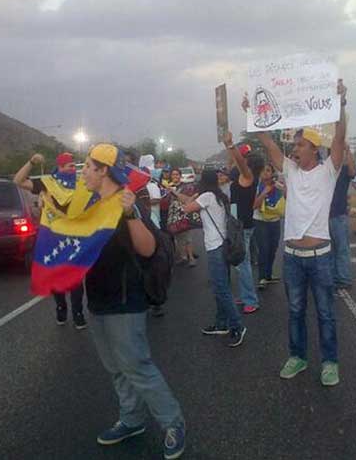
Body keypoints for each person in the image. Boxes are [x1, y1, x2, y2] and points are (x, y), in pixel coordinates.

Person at [81, 144, 185, 459]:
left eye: (87, 166)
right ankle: (131, 419)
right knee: (115, 368)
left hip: (125, 302)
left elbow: (149, 248)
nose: (82, 171)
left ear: (103, 171)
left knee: (137, 366)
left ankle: (173, 422)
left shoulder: (127, 202)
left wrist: (130, 214)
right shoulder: (90, 203)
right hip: (97, 299)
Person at [243, 79, 347, 387]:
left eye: (300, 145)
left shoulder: (329, 170)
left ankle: (330, 362)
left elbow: (340, 138)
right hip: (292, 258)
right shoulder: (288, 169)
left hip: (321, 258)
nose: (294, 148)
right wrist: (254, 116)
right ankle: (297, 356)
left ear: (314, 149)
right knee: (295, 311)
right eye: (295, 145)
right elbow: (270, 144)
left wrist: (340, 104)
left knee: (326, 313)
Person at [13, 152, 87, 329]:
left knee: (76, 277)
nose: (72, 169)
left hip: (74, 237)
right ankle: (61, 307)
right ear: (60, 167)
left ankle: (78, 313)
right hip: (53, 238)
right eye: (70, 166)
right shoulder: (47, 183)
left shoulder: (79, 184)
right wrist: (31, 162)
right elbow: (18, 181)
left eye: (73, 166)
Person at [183, 169, 247, 345]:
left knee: (221, 289)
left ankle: (237, 326)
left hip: (215, 247)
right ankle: (221, 323)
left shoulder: (207, 196)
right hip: (224, 245)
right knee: (223, 286)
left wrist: (194, 194)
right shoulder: (218, 196)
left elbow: (186, 207)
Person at [222, 139, 262, 314]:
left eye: (245, 159)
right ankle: (246, 295)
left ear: (249, 164)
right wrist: (230, 150)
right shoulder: (241, 176)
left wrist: (231, 145)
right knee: (240, 262)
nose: (242, 161)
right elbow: (232, 164)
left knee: (242, 263)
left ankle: (251, 300)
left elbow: (238, 163)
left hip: (243, 225)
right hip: (239, 223)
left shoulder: (249, 177)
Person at [253, 163, 285, 290]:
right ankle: (262, 277)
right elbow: (254, 205)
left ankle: (268, 274)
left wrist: (283, 186)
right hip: (260, 221)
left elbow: (288, 197)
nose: (265, 173)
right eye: (262, 171)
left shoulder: (277, 186)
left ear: (272, 173)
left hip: (275, 220)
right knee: (263, 249)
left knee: (273, 248)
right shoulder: (256, 186)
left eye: (268, 171)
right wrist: (264, 193)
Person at [329, 144, 356, 290]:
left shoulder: (344, 170)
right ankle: (334, 277)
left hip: (339, 216)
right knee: (330, 250)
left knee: (342, 248)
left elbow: (353, 172)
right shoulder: (324, 170)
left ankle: (343, 278)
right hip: (323, 217)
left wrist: (348, 150)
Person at [168, 168, 197, 267]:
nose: (175, 177)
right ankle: (183, 257)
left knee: (187, 236)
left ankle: (191, 258)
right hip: (173, 214)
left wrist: (174, 193)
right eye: (173, 175)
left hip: (183, 212)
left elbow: (188, 199)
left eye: (177, 175)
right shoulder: (169, 186)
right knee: (177, 235)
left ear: (180, 176)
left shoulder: (185, 187)